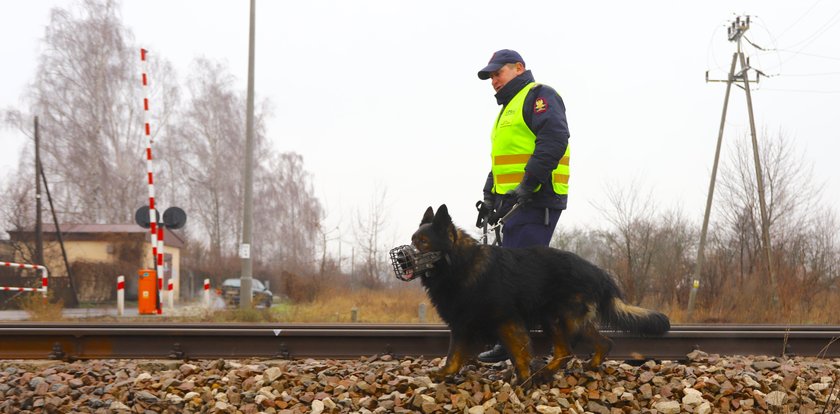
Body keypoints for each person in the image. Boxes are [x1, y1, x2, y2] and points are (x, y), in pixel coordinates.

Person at [474, 49, 571, 363]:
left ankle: (518, 347)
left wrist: (529, 184)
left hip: (536, 199)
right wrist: (490, 195)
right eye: (490, 77)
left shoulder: (539, 96)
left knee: (520, 278)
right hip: (514, 204)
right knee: (514, 275)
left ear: (519, 68)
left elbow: (555, 139)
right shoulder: (508, 110)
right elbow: (503, 162)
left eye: (497, 73)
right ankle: (521, 341)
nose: (493, 81)